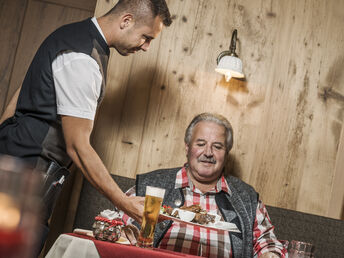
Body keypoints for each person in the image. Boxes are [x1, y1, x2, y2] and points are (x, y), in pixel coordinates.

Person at [0, 0, 172, 252]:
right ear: (126, 21)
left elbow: (15, 103)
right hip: (25, 176)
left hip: (17, 167)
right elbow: (78, 147)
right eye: (146, 37)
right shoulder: (83, 58)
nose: (146, 47)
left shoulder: (72, 37)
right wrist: (125, 204)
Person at [119, 113, 287, 257]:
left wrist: (270, 254)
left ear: (226, 153)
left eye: (217, 146)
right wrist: (121, 231)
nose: (208, 153)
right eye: (200, 144)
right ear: (187, 147)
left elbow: (268, 243)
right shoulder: (152, 185)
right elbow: (113, 222)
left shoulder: (246, 198)